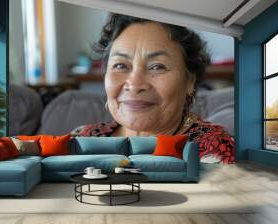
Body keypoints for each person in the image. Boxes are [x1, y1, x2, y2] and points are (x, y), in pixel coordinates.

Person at [71, 13, 235, 164]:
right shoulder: (81, 139)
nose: (134, 84)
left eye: (157, 67)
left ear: (190, 81)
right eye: (120, 65)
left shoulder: (212, 148)